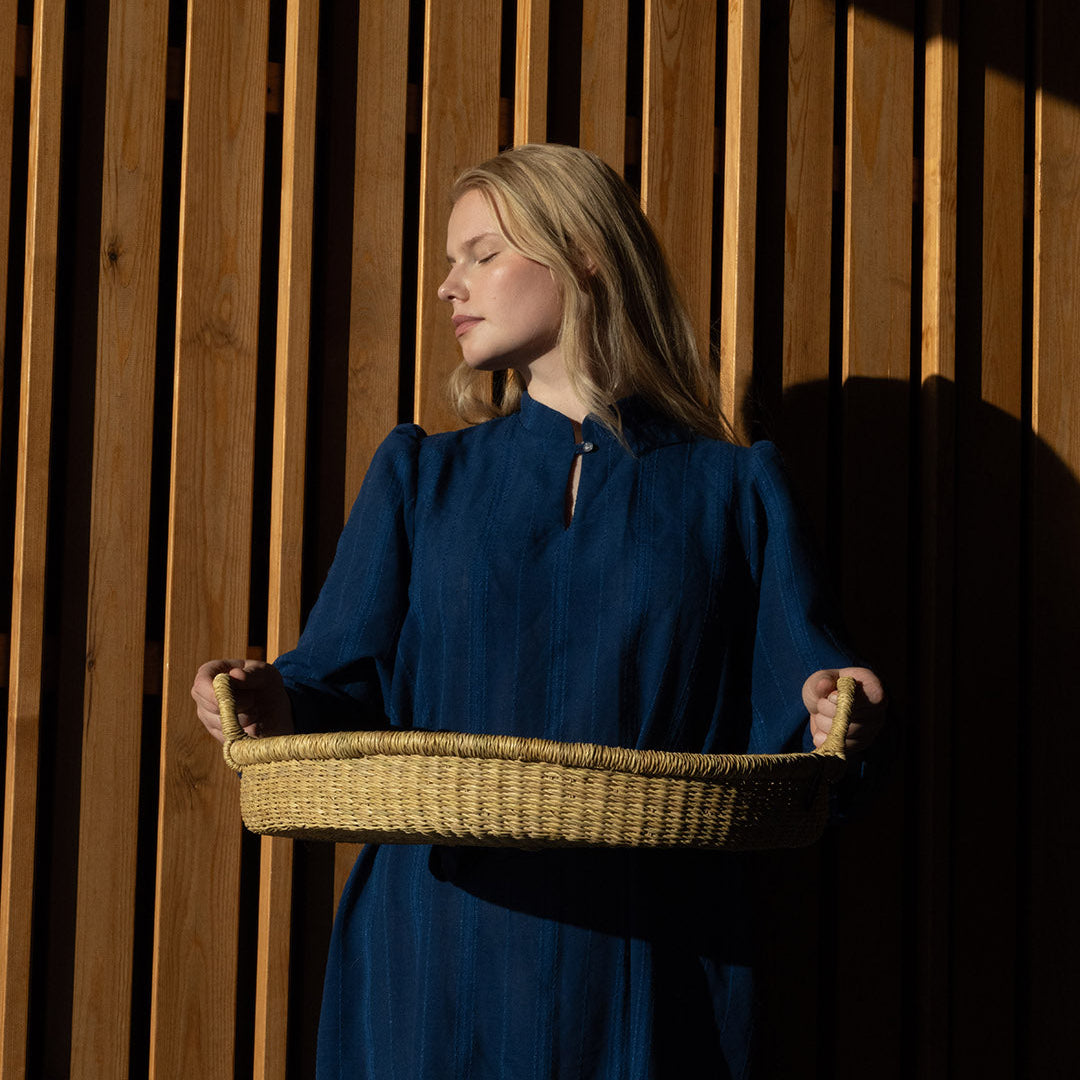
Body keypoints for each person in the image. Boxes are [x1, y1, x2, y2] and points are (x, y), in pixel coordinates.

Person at [193, 143, 885, 1079]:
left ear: (585, 253)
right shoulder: (420, 477)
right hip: (436, 954)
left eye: (481, 253)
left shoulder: (734, 489)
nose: (448, 286)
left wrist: (836, 710)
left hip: (654, 965)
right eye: (451, 260)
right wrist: (270, 703)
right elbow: (337, 689)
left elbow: (808, 718)